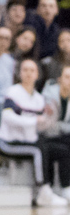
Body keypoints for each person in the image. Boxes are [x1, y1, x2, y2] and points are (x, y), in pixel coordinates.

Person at [0, 58, 68, 208]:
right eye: (25, 70)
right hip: (9, 142)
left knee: (61, 150)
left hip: (30, 140)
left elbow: (40, 127)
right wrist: (34, 120)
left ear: (37, 75)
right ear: (19, 73)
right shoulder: (13, 92)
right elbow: (7, 117)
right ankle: (43, 191)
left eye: (32, 70)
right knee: (39, 149)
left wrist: (48, 119)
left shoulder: (39, 99)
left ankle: (65, 188)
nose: (29, 73)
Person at [35, 64, 70, 203]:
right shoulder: (48, 96)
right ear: (60, 79)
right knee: (64, 148)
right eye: (67, 77)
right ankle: (64, 187)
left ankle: (66, 188)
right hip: (45, 136)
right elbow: (48, 125)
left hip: (62, 137)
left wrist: (61, 127)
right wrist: (63, 127)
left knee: (66, 147)